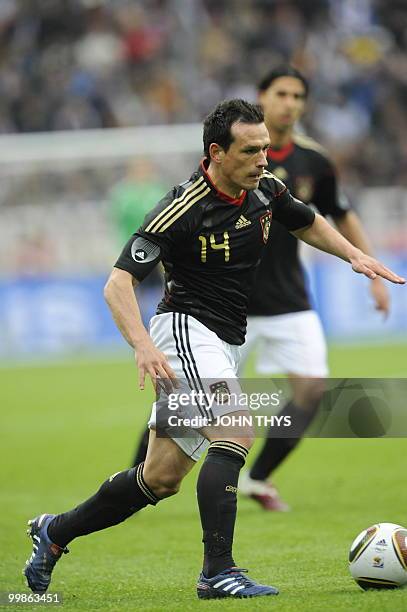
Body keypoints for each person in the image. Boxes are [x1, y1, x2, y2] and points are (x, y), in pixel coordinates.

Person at [23, 99, 404, 601]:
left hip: (224, 341)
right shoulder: (181, 207)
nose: (264, 159)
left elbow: (306, 220)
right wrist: (141, 346)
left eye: (266, 148)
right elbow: (117, 284)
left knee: (160, 478)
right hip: (184, 330)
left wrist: (356, 255)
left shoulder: (265, 190)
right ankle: (217, 572)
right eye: (251, 151)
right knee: (235, 428)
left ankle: (55, 532)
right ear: (216, 153)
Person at [237, 66, 390, 512]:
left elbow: (340, 213)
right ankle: (138, 481)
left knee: (312, 389)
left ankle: (259, 477)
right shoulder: (233, 153)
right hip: (230, 304)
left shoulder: (314, 161)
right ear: (261, 96)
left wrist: (372, 271)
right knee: (185, 404)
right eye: (281, 93)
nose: (290, 103)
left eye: (298, 96)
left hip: (289, 300)